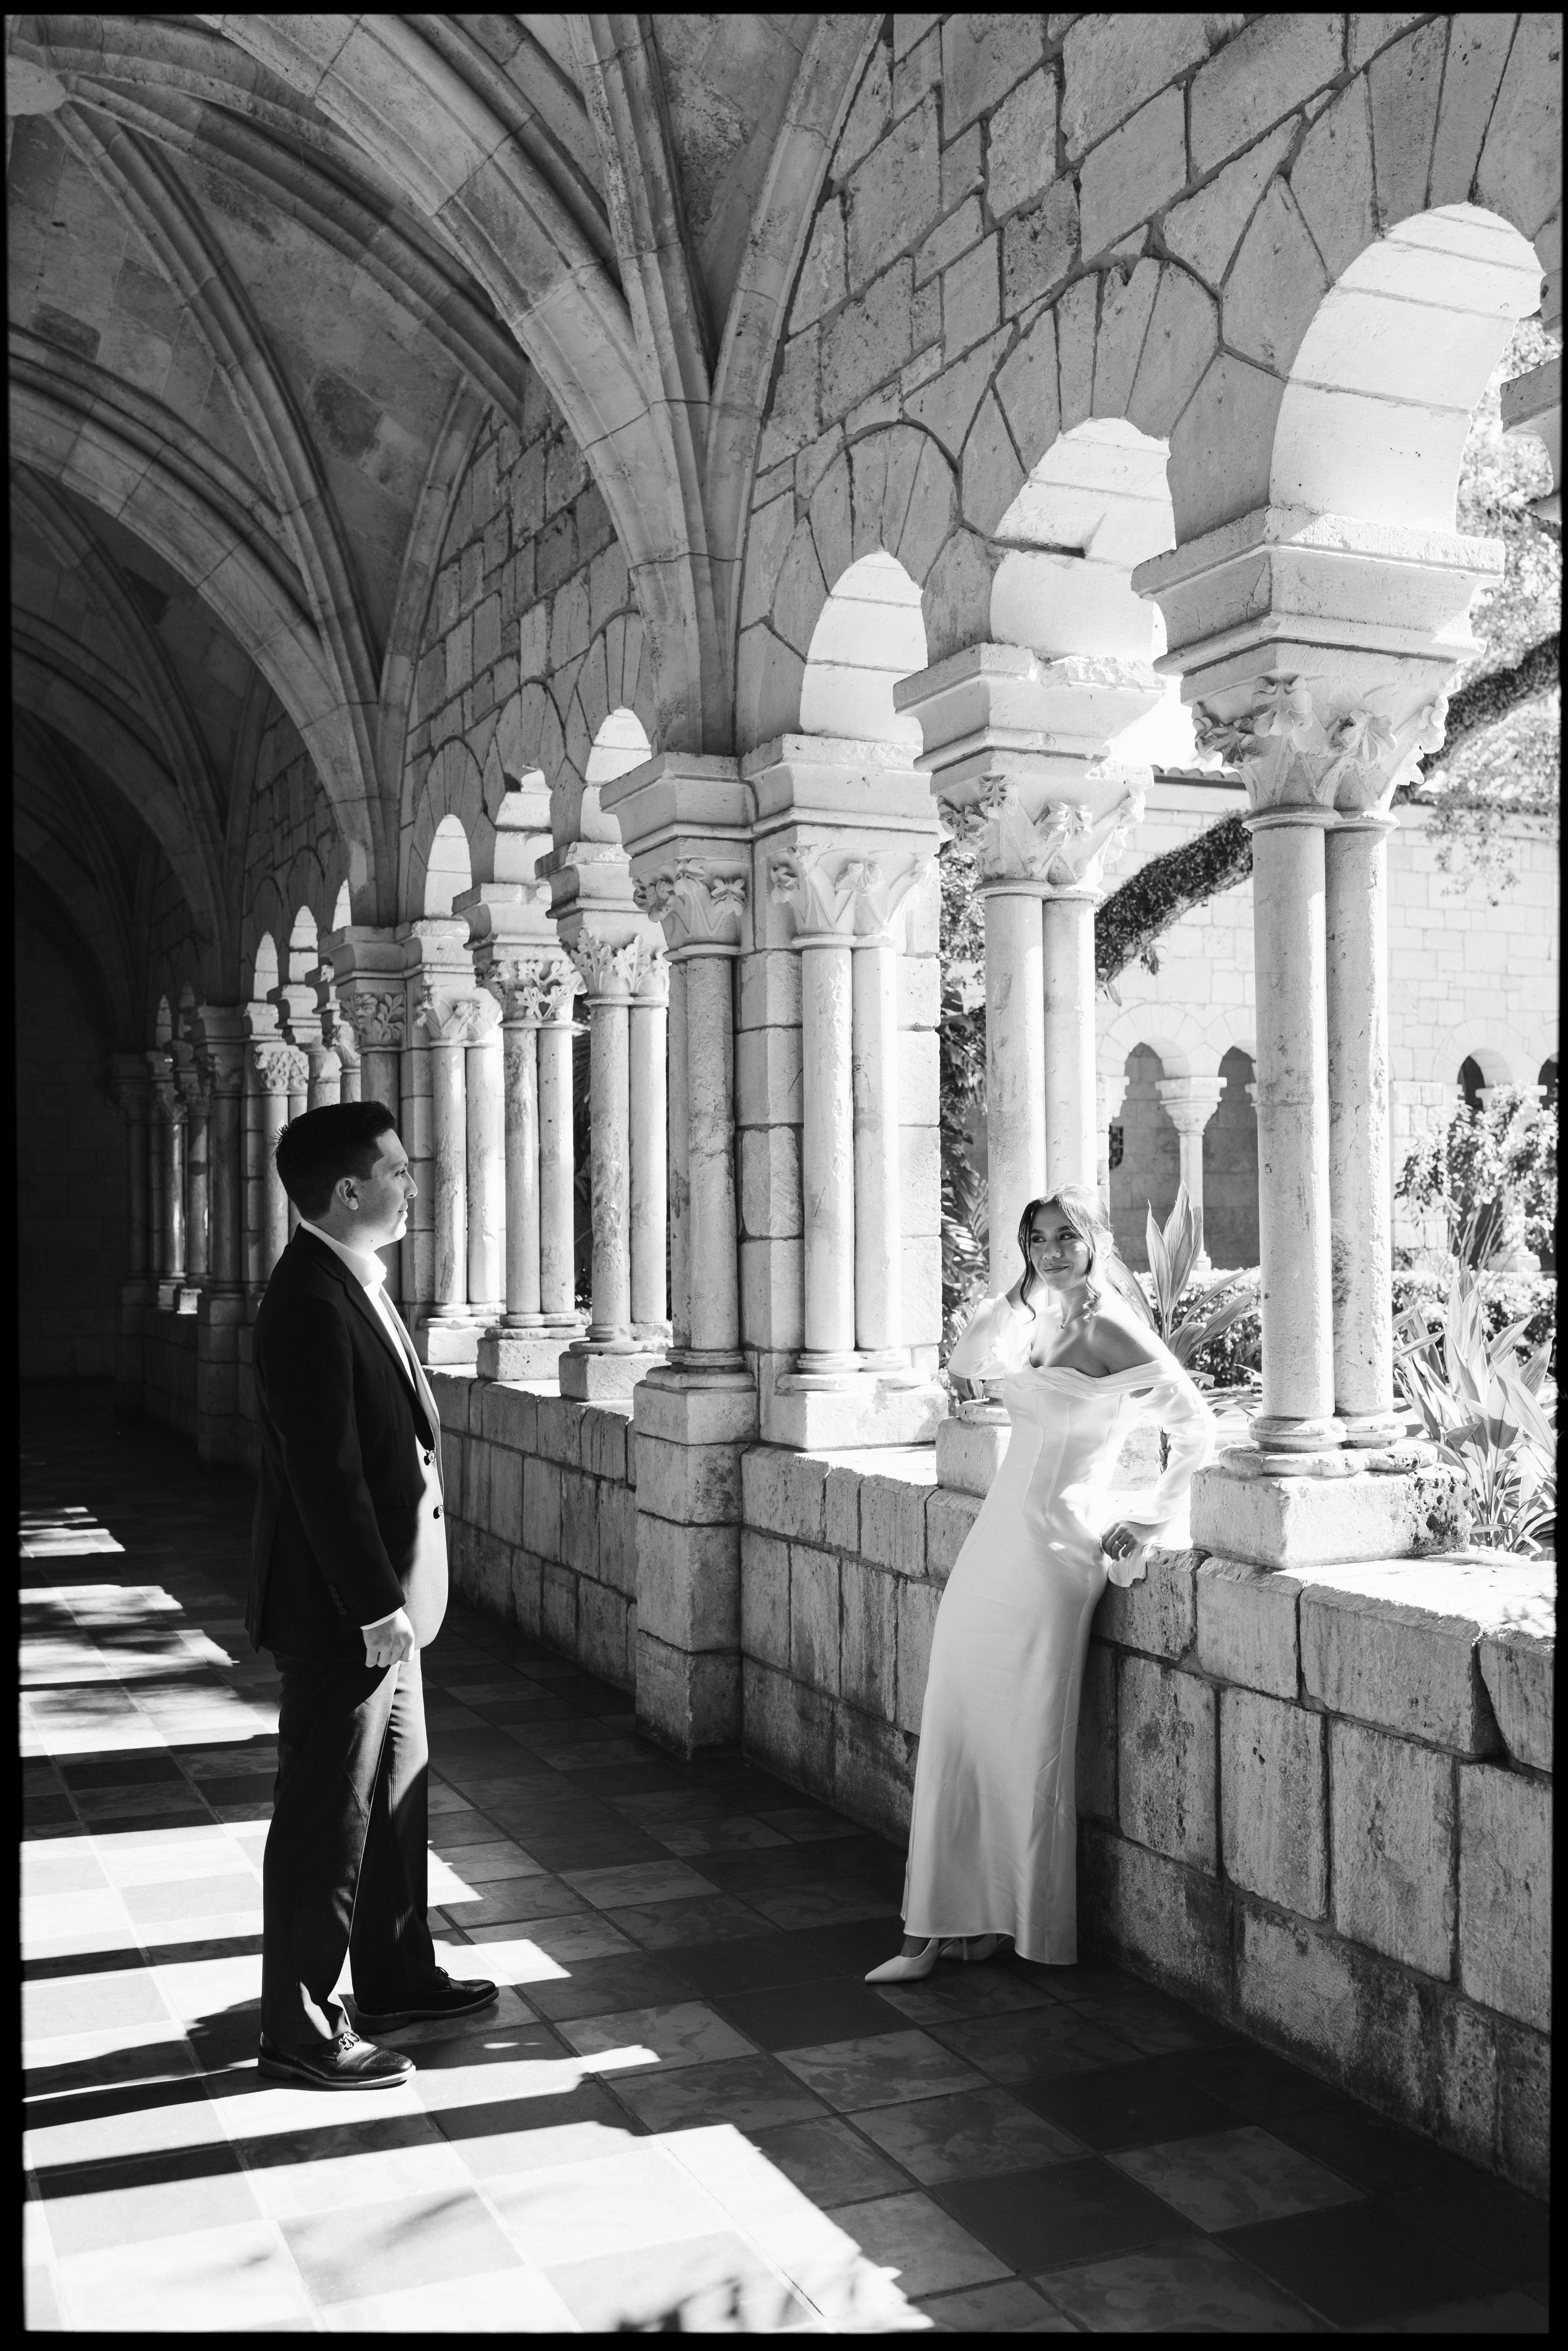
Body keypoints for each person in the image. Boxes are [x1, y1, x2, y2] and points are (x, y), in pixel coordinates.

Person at [867, 1184, 1215, 1985]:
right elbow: (963, 1366)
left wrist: (1156, 1518)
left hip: (1055, 1552)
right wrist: (1023, 1294)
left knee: (1026, 1740)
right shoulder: (1045, 1319)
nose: (1052, 1250)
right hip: (999, 1542)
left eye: (1066, 1237)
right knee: (957, 1714)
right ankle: (950, 1927)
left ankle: (1001, 1922)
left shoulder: (1110, 1327)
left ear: (1096, 1240)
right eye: (1038, 1239)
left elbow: (1197, 1424)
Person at [249, 1101, 497, 2086]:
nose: (411, 1183)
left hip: (384, 1603)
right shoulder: (308, 1300)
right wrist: (373, 1608)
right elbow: (326, 1476)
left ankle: (396, 1974)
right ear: (347, 1191)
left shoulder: (352, 1280)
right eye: (395, 1170)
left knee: (395, 1795)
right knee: (327, 1813)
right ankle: (300, 2026)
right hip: (346, 1613)